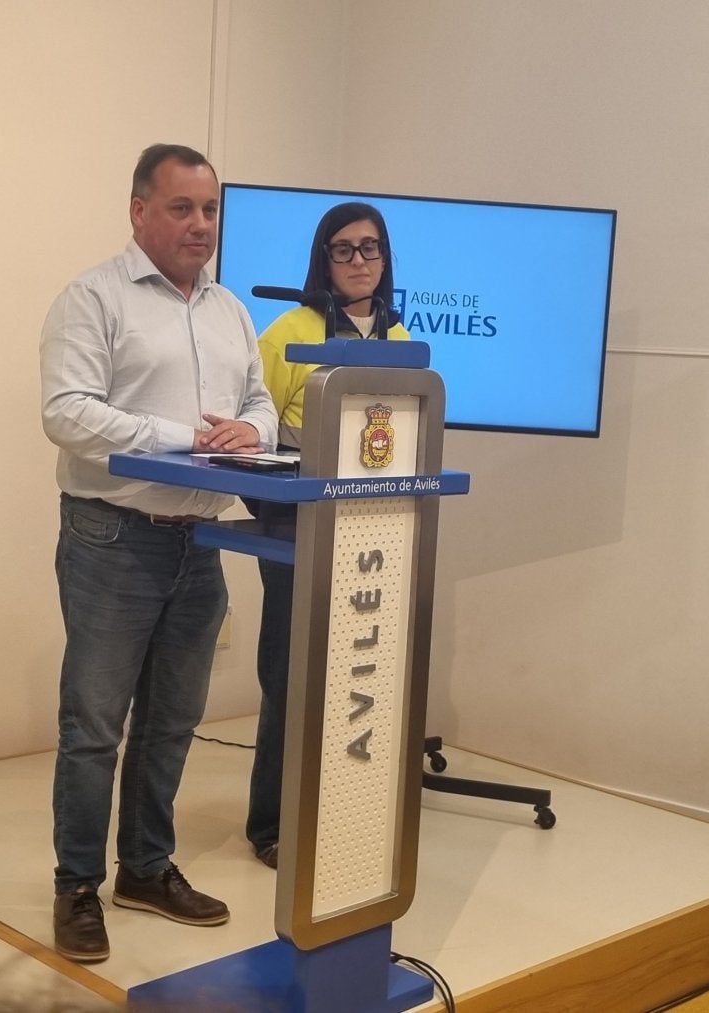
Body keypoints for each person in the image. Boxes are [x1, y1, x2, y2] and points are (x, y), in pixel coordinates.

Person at [39, 143, 277, 963]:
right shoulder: (92, 297)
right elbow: (67, 411)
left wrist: (255, 432)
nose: (200, 225)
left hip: (199, 544)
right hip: (112, 537)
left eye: (210, 210)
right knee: (94, 725)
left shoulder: (229, 308)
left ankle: (144, 867)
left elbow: (259, 401)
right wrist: (188, 439)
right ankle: (76, 884)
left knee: (173, 721)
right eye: (182, 208)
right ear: (139, 210)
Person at [245, 202, 412, 870]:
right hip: (298, 528)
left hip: (373, 534)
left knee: (355, 679)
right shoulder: (289, 329)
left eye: (369, 249)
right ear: (322, 259)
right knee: (290, 675)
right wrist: (269, 509)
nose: (357, 261)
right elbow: (251, 428)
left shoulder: (401, 342)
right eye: (342, 250)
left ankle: (340, 815)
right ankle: (271, 824)